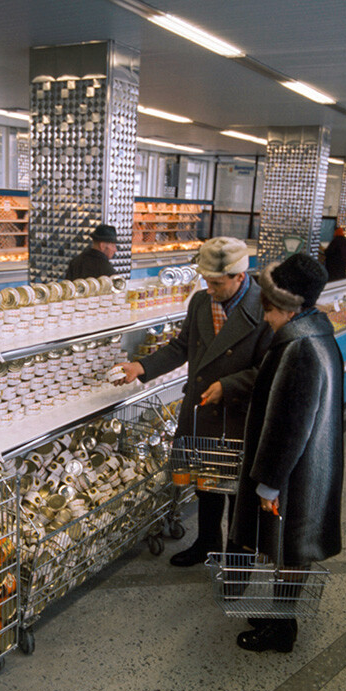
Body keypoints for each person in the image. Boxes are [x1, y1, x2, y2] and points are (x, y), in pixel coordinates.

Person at [119, 237, 272, 567]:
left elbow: (269, 369)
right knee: (206, 482)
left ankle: (236, 553)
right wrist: (142, 366)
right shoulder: (202, 302)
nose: (209, 287)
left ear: (239, 278)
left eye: (216, 282)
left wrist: (228, 385)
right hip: (203, 409)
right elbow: (180, 346)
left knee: (236, 489)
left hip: (239, 412)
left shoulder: (264, 309)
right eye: (205, 280)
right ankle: (206, 541)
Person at [228, 253, 343, 654]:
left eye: (271, 311)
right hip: (311, 466)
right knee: (289, 547)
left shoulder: (299, 349)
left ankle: (282, 628)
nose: (266, 320)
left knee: (293, 549)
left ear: (290, 308)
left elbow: (290, 426)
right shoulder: (318, 334)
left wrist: (269, 483)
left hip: (296, 473)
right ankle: (280, 614)